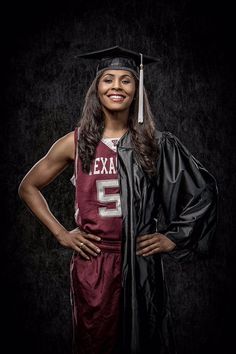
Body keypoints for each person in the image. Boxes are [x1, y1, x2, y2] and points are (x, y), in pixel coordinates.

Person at [18, 46, 218, 354]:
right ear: (96, 88)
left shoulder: (155, 144)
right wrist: (60, 233)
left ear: (136, 89)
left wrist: (172, 238)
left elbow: (203, 190)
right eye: (108, 79)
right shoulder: (76, 141)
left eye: (126, 80)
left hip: (140, 261)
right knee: (95, 344)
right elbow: (28, 186)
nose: (116, 86)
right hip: (95, 260)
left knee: (144, 342)